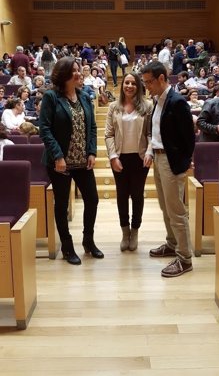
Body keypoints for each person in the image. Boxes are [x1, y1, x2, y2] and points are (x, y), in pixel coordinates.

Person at [39, 56, 103, 265]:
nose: (79, 73)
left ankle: (88, 241)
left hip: (83, 160)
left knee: (92, 199)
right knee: (62, 205)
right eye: (74, 70)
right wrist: (58, 156)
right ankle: (67, 247)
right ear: (64, 74)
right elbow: (45, 129)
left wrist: (92, 152)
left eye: (79, 70)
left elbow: (92, 128)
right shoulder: (51, 97)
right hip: (60, 163)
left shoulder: (84, 97)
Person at [141, 61, 195, 277]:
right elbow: (157, 132)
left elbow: (189, 139)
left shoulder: (177, 101)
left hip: (172, 162)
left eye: (149, 82)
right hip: (159, 158)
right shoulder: (157, 100)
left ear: (162, 78)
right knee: (165, 207)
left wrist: (181, 164)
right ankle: (172, 243)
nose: (147, 87)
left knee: (177, 211)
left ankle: (185, 258)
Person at [105, 72, 153, 251]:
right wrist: (113, 157)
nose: (130, 86)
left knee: (138, 195)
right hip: (120, 158)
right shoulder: (113, 107)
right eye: (127, 82)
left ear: (138, 86)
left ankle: (135, 230)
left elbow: (150, 133)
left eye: (133, 83)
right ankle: (125, 232)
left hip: (140, 158)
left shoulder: (147, 106)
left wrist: (150, 152)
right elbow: (109, 134)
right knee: (122, 195)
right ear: (122, 85)